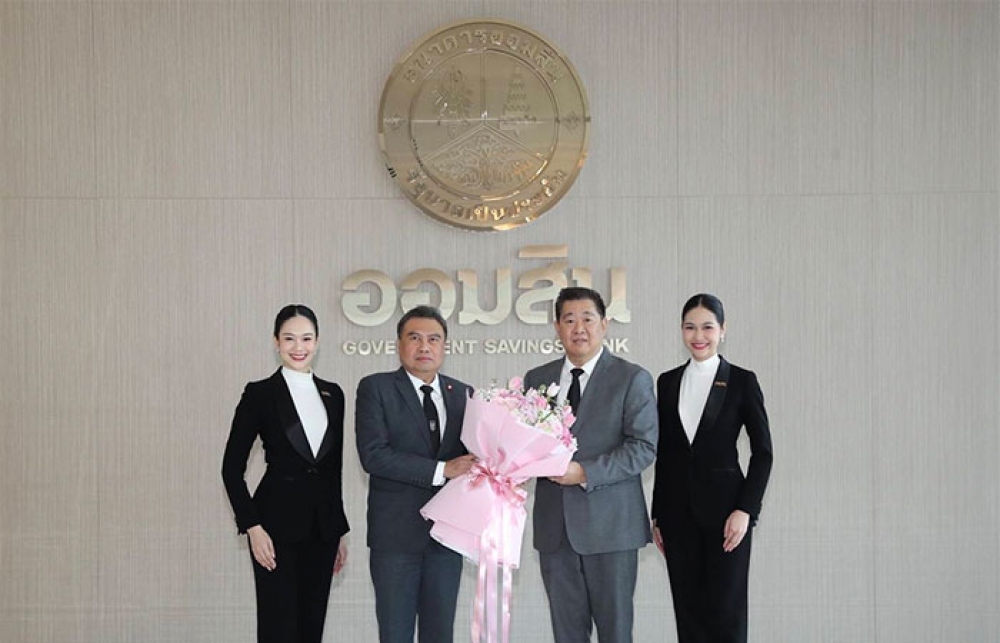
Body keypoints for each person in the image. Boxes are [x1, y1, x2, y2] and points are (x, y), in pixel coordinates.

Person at [524, 287, 658, 643]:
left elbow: (643, 448)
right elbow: (524, 444)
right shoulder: (537, 380)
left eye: (587, 318)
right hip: (555, 530)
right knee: (567, 634)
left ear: (604, 324)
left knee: (615, 633)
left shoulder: (632, 378)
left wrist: (584, 473)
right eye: (569, 320)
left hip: (611, 528)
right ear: (557, 327)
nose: (578, 328)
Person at [222, 304, 349, 643]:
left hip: (323, 531)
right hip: (273, 529)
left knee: (311, 628)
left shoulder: (334, 394)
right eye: (289, 338)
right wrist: (253, 527)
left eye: (306, 338)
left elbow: (332, 469)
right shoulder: (260, 393)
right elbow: (231, 468)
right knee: (278, 629)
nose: (298, 347)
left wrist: (337, 530)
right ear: (276, 341)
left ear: (317, 342)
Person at [650, 293, 773, 643]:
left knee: (726, 615)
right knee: (688, 615)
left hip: (727, 517)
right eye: (690, 327)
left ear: (722, 330)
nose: (698, 336)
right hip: (677, 517)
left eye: (707, 327)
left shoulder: (742, 381)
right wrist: (658, 514)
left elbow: (763, 453)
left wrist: (746, 510)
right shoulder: (667, 382)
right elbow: (666, 452)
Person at [355, 305, 477, 643]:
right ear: (399, 344)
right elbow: (374, 456)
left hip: (446, 537)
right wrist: (443, 470)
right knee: (395, 633)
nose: (425, 347)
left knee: (440, 634)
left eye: (433, 339)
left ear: (445, 346)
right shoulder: (376, 388)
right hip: (396, 539)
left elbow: (475, 454)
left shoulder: (463, 394)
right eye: (415, 338)